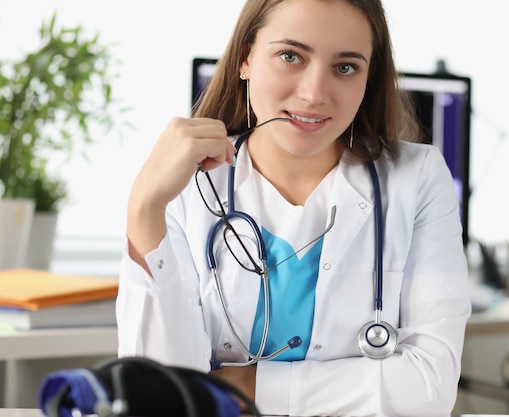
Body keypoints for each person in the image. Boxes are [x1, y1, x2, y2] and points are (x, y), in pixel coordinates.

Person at [116, 0, 471, 416]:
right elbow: (158, 396)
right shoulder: (186, 182)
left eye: (345, 67)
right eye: (290, 56)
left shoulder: (418, 178)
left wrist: (245, 385)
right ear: (245, 58)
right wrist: (145, 207)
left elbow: (428, 388)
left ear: (369, 77)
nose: (314, 94)